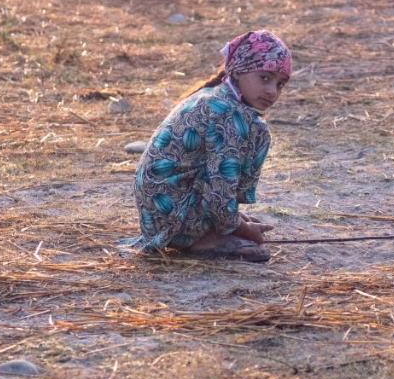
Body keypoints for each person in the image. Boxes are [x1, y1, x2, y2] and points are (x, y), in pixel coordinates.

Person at [125, 30, 292, 263]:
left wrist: (237, 222)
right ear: (237, 70)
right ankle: (204, 239)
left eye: (280, 84)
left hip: (161, 212)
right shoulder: (229, 115)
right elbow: (219, 188)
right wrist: (240, 227)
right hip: (173, 217)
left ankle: (208, 229)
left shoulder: (217, 98)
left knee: (256, 131)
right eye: (264, 78)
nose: (272, 91)